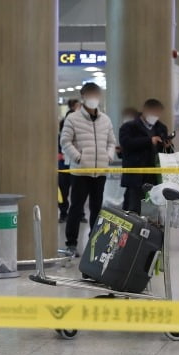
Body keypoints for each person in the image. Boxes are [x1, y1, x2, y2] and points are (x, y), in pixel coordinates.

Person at [60, 82, 116, 256]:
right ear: (83, 96)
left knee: (97, 208)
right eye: (90, 95)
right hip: (80, 172)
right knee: (76, 208)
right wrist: (78, 157)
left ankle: (95, 240)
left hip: (100, 171)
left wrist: (108, 156)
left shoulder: (105, 120)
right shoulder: (73, 118)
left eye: (96, 94)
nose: (93, 98)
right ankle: (71, 243)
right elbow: (65, 141)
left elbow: (111, 142)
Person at [119, 99, 167, 214]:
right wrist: (149, 141)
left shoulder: (161, 128)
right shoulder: (129, 127)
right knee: (133, 209)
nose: (155, 116)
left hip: (154, 175)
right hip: (135, 175)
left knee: (153, 211)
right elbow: (126, 144)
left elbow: (163, 149)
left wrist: (166, 144)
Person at [58, 99, 86, 223]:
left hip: (77, 165)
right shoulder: (61, 136)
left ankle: (80, 214)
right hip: (63, 165)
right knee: (63, 191)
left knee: (79, 191)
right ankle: (63, 212)